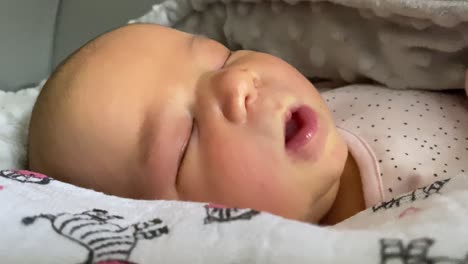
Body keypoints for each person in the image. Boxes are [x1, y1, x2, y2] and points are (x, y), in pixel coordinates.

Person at [27, 23, 468, 225]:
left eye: (221, 57)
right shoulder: (392, 230)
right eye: (184, 140)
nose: (237, 81)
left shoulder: (334, 92)